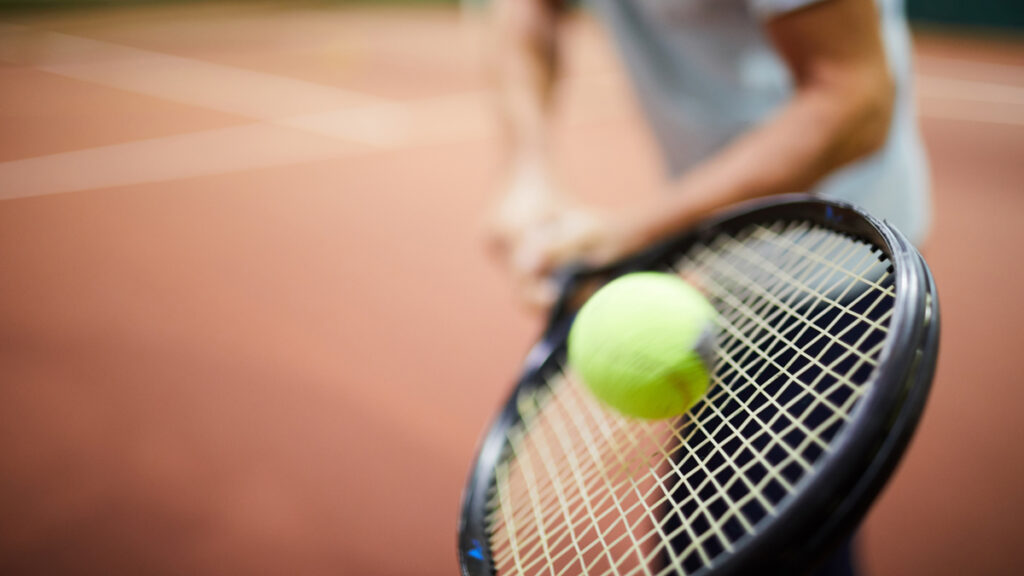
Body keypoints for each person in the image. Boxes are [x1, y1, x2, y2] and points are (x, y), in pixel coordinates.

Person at [485, 0, 931, 308]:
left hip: (836, 257)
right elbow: (530, 11)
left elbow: (856, 103)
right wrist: (528, 174)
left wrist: (632, 236)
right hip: (712, 259)